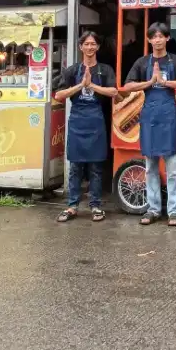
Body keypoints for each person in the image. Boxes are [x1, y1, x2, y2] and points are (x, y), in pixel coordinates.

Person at [122, 22, 176, 226]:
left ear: (167, 38)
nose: (158, 39)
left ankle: (174, 211)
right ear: (149, 40)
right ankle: (153, 209)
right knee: (151, 167)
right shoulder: (142, 62)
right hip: (150, 118)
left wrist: (165, 82)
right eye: (154, 36)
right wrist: (149, 82)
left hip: (168, 117)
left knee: (172, 169)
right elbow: (128, 86)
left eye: (161, 36)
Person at [54, 30, 120, 223]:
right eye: (86, 44)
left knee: (96, 167)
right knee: (75, 166)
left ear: (97, 47)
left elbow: (113, 91)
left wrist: (92, 86)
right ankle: (72, 205)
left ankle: (96, 205)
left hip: (96, 120)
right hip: (77, 120)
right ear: (80, 47)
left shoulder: (105, 70)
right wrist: (80, 85)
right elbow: (59, 95)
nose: (90, 47)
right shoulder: (72, 70)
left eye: (93, 44)